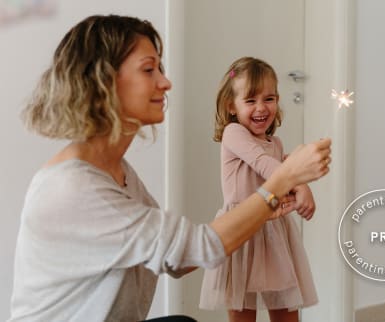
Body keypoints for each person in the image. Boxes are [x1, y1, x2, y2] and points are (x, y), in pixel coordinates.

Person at [8, 15, 331, 322]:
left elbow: (178, 257)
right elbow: (199, 248)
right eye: (149, 70)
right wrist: (285, 179)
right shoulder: (76, 188)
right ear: (103, 82)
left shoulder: (118, 173)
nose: (165, 82)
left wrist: (261, 207)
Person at [199, 57, 326, 322]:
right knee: (243, 314)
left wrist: (296, 182)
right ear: (230, 106)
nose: (261, 108)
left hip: (274, 232)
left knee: (286, 309)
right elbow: (264, 165)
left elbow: (277, 173)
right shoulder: (233, 133)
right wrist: (299, 183)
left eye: (269, 99)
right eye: (250, 100)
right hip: (242, 230)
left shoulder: (275, 142)